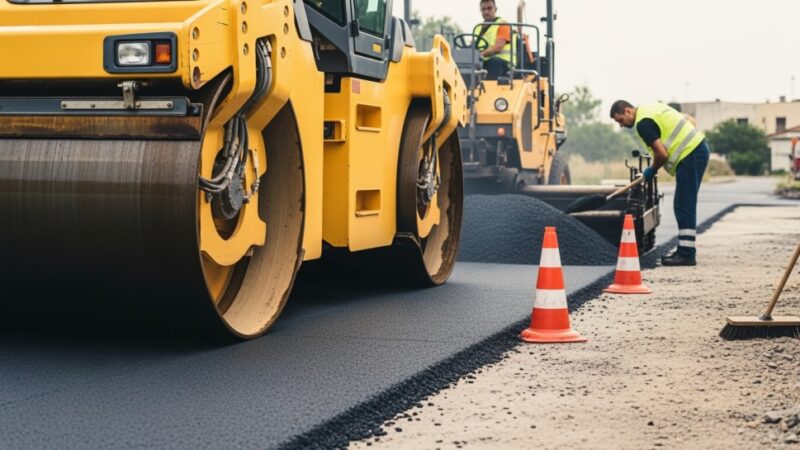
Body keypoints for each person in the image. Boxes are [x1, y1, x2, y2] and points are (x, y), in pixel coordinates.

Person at [610, 100, 710, 266]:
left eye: (620, 120)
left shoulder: (643, 124)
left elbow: (662, 154)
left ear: (627, 111)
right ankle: (684, 249)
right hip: (695, 150)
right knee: (683, 203)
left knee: (684, 204)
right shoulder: (650, 108)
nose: (621, 125)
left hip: (690, 154)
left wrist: (652, 170)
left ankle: (687, 254)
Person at [475, 0, 512, 79]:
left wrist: (479, 55)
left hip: (503, 63)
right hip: (483, 61)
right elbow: (473, 46)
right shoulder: (478, 28)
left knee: (494, 62)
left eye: (489, 8)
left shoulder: (502, 24)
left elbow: (498, 47)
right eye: (483, 9)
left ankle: (489, 85)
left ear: (495, 9)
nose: (486, 12)